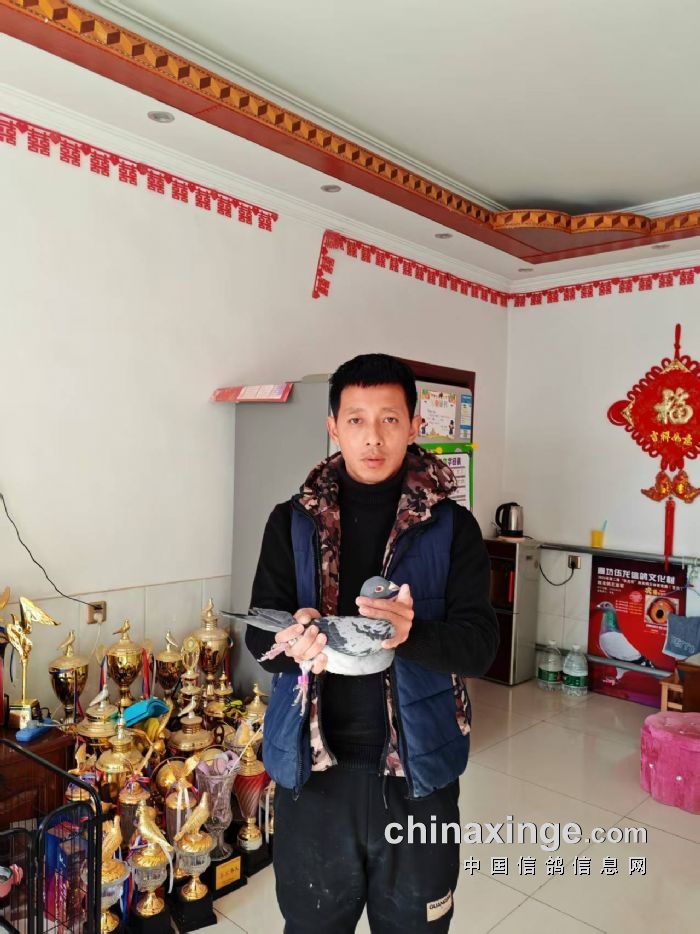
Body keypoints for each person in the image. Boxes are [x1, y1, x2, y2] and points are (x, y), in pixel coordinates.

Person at [245, 353, 499, 933]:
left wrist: (412, 633)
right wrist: (291, 637)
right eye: (356, 419)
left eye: (389, 419)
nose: (373, 437)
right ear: (333, 426)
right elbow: (257, 632)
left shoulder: (451, 527)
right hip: (313, 772)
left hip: (418, 775)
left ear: (414, 425)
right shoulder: (291, 522)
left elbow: (480, 645)